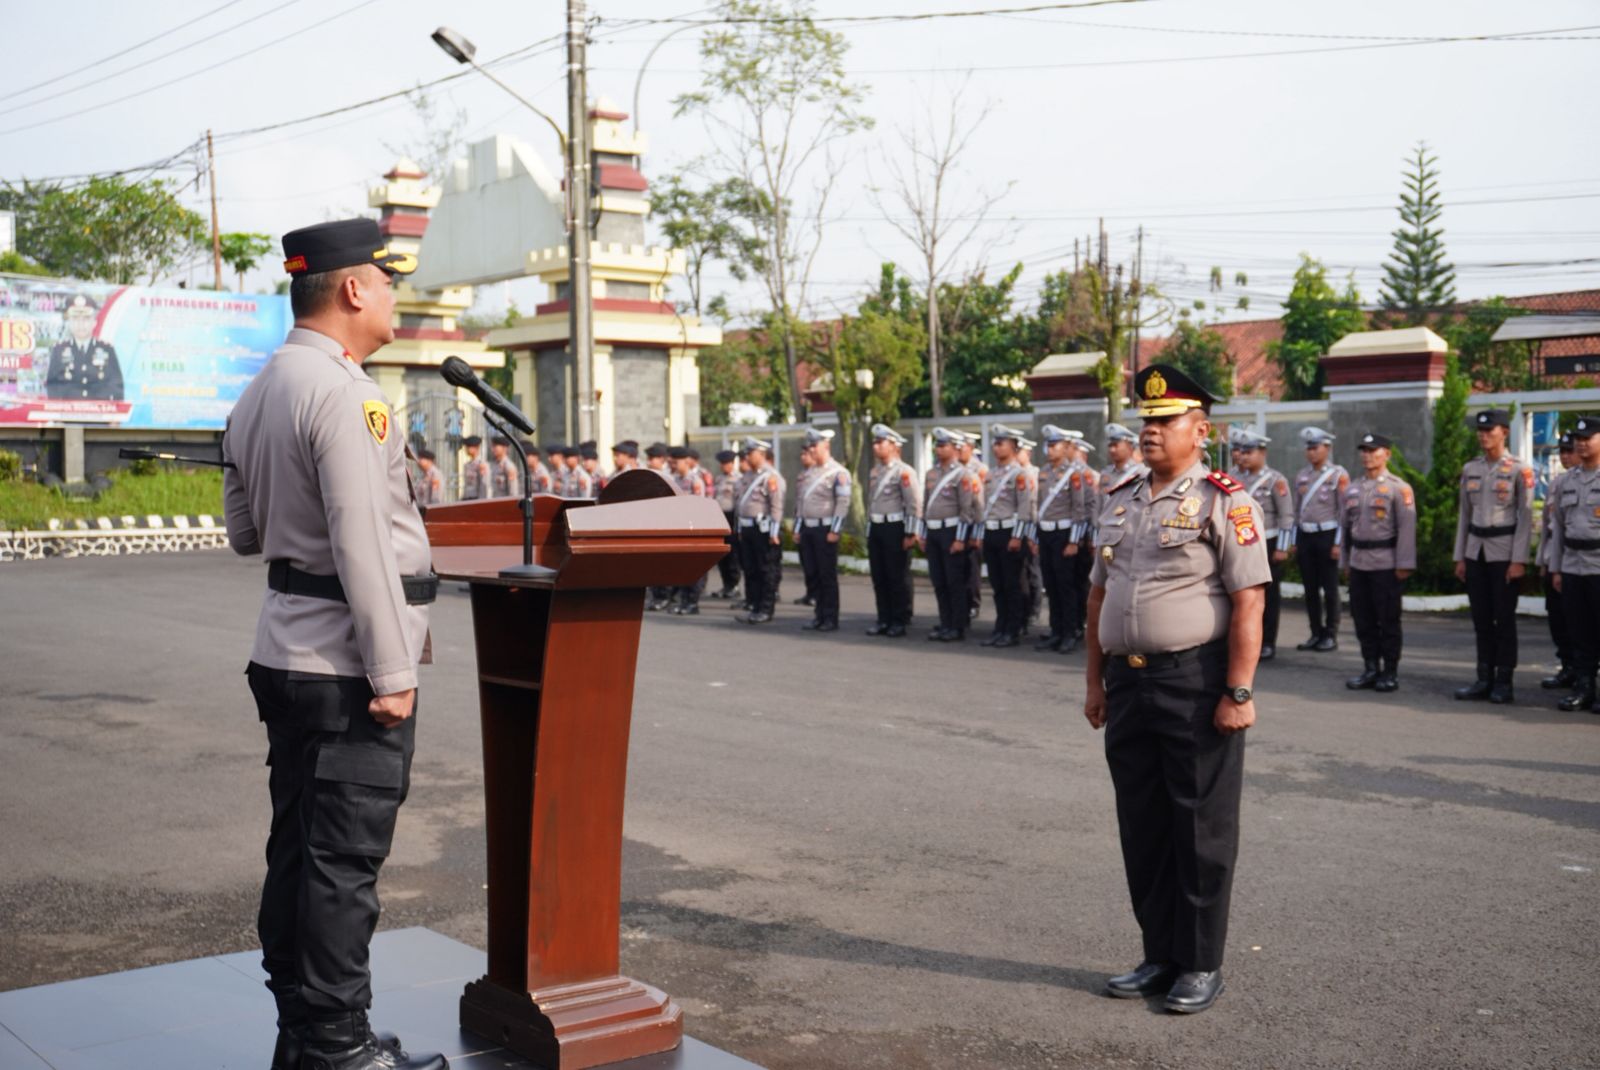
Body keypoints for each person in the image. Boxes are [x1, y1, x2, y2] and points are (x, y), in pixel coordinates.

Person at [221, 218, 447, 1070]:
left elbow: (247, 532)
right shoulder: (350, 395)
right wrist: (393, 671)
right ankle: (339, 1049)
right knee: (342, 864)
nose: (394, 297)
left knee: (299, 852)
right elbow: (362, 543)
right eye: (387, 283)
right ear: (354, 289)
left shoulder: (262, 387)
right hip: (347, 664)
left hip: (283, 649)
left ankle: (307, 1031)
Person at [1083, 363, 1270, 1016]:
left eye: (1165, 422)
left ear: (1201, 430)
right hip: (1127, 682)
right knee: (1144, 824)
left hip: (1193, 683)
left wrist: (1238, 693)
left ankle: (1199, 962)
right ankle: (1158, 953)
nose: (1151, 432)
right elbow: (1098, 599)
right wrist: (1094, 685)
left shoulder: (1227, 501)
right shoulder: (1120, 498)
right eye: (1147, 421)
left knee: (1200, 827)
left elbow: (1249, 604)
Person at [1451, 409, 1534, 704]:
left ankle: (1504, 681)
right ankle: (1483, 678)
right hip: (1476, 551)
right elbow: (1465, 515)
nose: (1484, 435)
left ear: (1504, 432)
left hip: (1503, 553)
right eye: (1480, 431)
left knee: (1504, 619)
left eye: (1490, 430)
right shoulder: (1471, 468)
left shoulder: (1518, 470)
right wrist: (1460, 556)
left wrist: (1518, 560)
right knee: (1481, 619)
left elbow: (1525, 518)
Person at [1340, 434, 1417, 692]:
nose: (1367, 455)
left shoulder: (1399, 488)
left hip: (1386, 563)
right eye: (1363, 450)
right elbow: (1345, 528)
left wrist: (1404, 563)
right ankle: (1370, 668)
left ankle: (1390, 671)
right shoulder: (1353, 488)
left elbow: (1407, 529)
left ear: (1387, 454)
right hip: (1359, 562)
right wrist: (1346, 561)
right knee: (1363, 619)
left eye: (1373, 451)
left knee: (1388, 620)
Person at [1227, 429, 1295, 660]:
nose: (1244, 456)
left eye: (1250, 452)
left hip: (1268, 542)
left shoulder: (1276, 480)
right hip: (1239, 543)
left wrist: (1283, 547)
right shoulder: (1232, 477)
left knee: (1268, 597)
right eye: (1242, 452)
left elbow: (1286, 516)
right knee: (1237, 593)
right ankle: (1239, 641)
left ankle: (1267, 642)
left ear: (1262, 452)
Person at [1548, 415, 1600, 714]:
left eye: (1587, 438)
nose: (1581, 444)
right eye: (1578, 439)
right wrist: (1556, 569)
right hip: (1572, 566)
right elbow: (1558, 531)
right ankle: (1584, 687)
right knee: (1579, 632)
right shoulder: (1566, 481)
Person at [977, 425, 1036, 648]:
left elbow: (1025, 507)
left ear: (1013, 447)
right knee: (998, 584)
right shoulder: (991, 474)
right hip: (992, 532)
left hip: (1010, 533)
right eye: (995, 443)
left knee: (1013, 584)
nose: (996, 447)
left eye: (1001, 443)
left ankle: (1013, 629)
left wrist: (1017, 536)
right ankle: (1000, 627)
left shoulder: (1020, 474)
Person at [921, 427, 981, 642]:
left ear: (955, 448)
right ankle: (945, 622)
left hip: (952, 531)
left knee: (955, 581)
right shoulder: (932, 473)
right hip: (934, 531)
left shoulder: (964, 474)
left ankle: (958, 625)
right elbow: (926, 505)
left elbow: (967, 509)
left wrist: (959, 539)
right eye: (937, 445)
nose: (938, 449)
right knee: (939, 581)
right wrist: (923, 533)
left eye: (943, 445)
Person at [1293, 427, 1349, 651]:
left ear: (1327, 448)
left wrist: (1338, 543)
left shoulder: (1338, 475)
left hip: (1327, 535)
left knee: (1330, 588)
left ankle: (1331, 634)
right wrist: (1296, 540)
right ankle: (1315, 632)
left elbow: (1344, 513)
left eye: (1315, 448)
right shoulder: (1302, 475)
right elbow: (1298, 511)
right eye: (1308, 448)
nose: (1311, 453)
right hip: (1306, 536)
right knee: (1310, 588)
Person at [794, 427, 852, 632]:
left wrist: (835, 530)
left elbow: (843, 503)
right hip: (809, 529)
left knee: (827, 575)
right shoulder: (809, 473)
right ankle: (818, 615)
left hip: (825, 530)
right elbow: (801, 502)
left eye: (814, 446)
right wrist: (798, 528)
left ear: (825, 446)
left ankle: (830, 617)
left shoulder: (838, 473)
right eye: (810, 447)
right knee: (813, 574)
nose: (811, 450)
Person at [864, 423, 920, 637]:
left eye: (880, 442)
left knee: (897, 575)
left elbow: (913, 503)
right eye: (875, 442)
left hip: (896, 527)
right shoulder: (875, 472)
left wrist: (910, 533)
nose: (876, 446)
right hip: (877, 526)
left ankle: (900, 619)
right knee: (879, 576)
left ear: (894, 445)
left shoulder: (904, 472)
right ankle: (883, 618)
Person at [1033, 425, 1081, 652]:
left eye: (1055, 446)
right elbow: (1038, 506)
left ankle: (1070, 632)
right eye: (1048, 446)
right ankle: (1056, 630)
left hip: (1064, 535)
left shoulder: (1074, 473)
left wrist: (1074, 541)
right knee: (1050, 585)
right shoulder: (1043, 472)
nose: (1050, 450)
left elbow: (1079, 510)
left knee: (1065, 586)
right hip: (1045, 533)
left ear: (1066, 448)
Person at [1538, 433, 1578, 691]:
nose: (1565, 456)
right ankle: (1568, 667)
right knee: (1558, 620)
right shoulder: (1556, 484)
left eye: (1569, 451)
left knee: (1581, 621)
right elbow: (1547, 527)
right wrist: (1543, 559)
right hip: (1556, 560)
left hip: (1581, 561)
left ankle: (1584, 674)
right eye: (1562, 451)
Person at [735, 438, 785, 624]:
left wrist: (774, 532)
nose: (748, 456)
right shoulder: (749, 477)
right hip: (747, 528)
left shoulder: (770, 477)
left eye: (751, 453)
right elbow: (741, 504)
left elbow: (776, 506)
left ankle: (765, 609)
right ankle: (754, 606)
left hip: (763, 530)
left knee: (766, 570)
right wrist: (740, 528)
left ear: (761, 454)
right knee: (750, 570)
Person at [46, 293, 125, 401]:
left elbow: (116, 386)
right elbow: (52, 386)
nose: (81, 324)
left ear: (94, 322)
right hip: (67, 415)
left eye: (86, 319)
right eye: (76, 319)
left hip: (99, 414)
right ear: (69, 322)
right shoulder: (59, 350)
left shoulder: (107, 350)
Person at [1066, 434, 1100, 643]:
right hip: (1077, 532)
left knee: (1083, 582)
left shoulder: (1088, 475)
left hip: (1085, 534)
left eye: (1075, 451)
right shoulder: (1068, 474)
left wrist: (1089, 537)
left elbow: (1090, 508)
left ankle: (1083, 622)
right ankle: (1075, 622)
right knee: (1076, 580)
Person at [666, 446, 707, 614]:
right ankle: (684, 601)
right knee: (682, 569)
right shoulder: (674, 480)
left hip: (693, 530)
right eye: (673, 462)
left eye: (677, 462)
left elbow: (699, 508)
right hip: (679, 529)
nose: (674, 465)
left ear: (687, 462)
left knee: (694, 569)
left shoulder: (695, 481)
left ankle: (692, 603)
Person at [957, 431, 988, 623]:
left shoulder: (980, 470)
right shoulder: (953, 468)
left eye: (962, 447)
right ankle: (962, 605)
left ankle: (974, 603)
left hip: (974, 523)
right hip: (959, 522)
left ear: (970, 447)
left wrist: (978, 531)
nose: (959, 450)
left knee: (973, 567)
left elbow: (979, 502)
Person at [1017, 438, 1045, 635]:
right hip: (1020, 528)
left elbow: (1036, 505)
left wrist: (1033, 534)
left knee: (1034, 572)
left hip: (1033, 527)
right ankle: (1023, 611)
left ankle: (1034, 610)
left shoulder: (1035, 474)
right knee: (1022, 573)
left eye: (1020, 451)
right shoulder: (1013, 474)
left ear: (1027, 453)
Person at [709, 448, 743, 600]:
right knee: (721, 554)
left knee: (733, 554)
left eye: (726, 463)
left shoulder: (739, 479)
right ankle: (726, 585)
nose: (724, 466)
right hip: (719, 517)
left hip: (732, 517)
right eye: (722, 463)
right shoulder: (719, 479)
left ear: (732, 463)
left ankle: (734, 585)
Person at [793, 438, 821, 608]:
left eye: (806, 454)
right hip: (802, 522)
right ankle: (810, 592)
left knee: (817, 563)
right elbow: (799, 503)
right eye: (802, 454)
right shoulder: (802, 476)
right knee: (807, 562)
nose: (803, 457)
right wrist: (796, 527)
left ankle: (817, 595)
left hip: (816, 523)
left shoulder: (819, 474)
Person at [1099, 423, 1145, 495]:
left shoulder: (1140, 472)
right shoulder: (1106, 473)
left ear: (1130, 446)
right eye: (1110, 446)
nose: (1112, 450)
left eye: (1115, 445)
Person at [459, 435, 490, 501]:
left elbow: (483, 485)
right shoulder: (467, 465)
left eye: (468, 446)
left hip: (476, 499)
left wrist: (482, 502)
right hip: (467, 498)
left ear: (476, 448)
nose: (466, 449)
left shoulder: (481, 465)